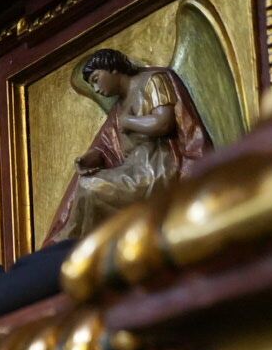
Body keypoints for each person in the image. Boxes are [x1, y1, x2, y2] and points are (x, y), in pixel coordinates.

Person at [45, 48, 212, 242]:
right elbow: (108, 146)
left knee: (90, 187)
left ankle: (70, 245)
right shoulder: (119, 108)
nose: (97, 89)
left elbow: (163, 123)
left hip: (157, 167)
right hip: (133, 168)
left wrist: (128, 122)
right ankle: (71, 242)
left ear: (112, 68)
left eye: (96, 79)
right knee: (86, 184)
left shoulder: (153, 80)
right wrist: (91, 158)